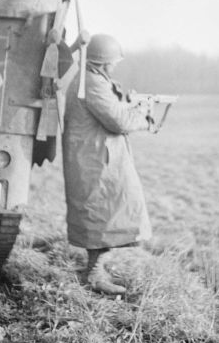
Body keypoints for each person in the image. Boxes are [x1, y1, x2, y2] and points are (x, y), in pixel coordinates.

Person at [62, 33, 153, 294]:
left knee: (108, 213)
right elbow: (119, 121)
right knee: (100, 214)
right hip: (94, 161)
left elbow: (114, 111)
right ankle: (93, 274)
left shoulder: (90, 80)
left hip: (97, 158)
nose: (114, 66)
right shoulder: (91, 82)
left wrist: (129, 104)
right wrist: (142, 116)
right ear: (102, 63)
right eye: (112, 62)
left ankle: (97, 269)